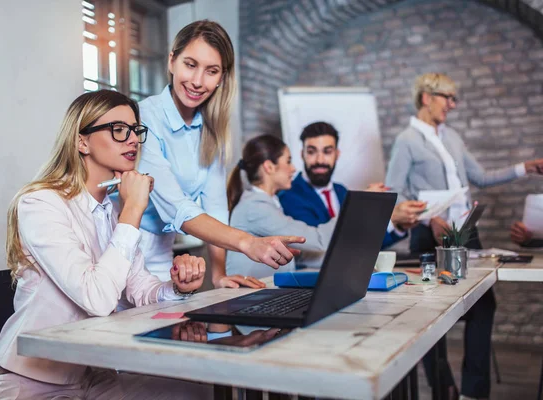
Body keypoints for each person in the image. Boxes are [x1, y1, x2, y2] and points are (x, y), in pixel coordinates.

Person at [0, 90, 211, 399]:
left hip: (91, 374)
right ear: (82, 141)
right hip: (28, 380)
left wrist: (178, 287)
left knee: (193, 390)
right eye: (118, 130)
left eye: (136, 130)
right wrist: (133, 211)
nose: (132, 140)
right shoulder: (40, 203)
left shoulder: (113, 213)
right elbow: (97, 298)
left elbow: (140, 289)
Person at [385, 72, 543, 400]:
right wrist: (430, 219)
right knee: (432, 318)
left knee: (483, 307)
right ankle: (444, 390)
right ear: (427, 97)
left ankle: (474, 393)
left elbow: (481, 177)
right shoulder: (407, 140)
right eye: (448, 97)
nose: (452, 105)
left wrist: (524, 167)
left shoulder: (453, 136)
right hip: (429, 239)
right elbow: (394, 194)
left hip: (466, 233)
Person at [136, 20, 303, 289]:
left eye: (211, 71)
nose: (197, 82)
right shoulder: (144, 117)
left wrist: (219, 274)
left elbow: (214, 206)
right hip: (122, 246)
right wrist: (247, 242)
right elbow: (175, 206)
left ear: (222, 77)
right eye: (190, 65)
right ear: (172, 62)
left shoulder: (212, 131)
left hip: (162, 251)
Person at [278, 121, 426, 255]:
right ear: (302, 155)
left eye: (327, 151)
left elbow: (364, 244)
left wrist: (397, 224)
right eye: (311, 152)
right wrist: (366, 207)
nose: (319, 160)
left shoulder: (340, 191)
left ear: (337, 154)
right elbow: (322, 246)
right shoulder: (290, 196)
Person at [226, 134, 337, 279]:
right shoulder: (255, 207)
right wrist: (353, 209)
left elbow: (299, 255)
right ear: (269, 167)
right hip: (249, 295)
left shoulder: (269, 202)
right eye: (288, 161)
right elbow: (318, 240)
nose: (293, 169)